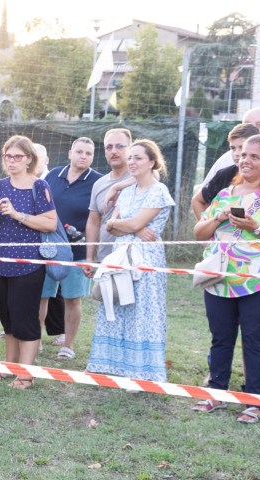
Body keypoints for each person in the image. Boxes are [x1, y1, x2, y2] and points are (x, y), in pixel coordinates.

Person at [192, 135, 260, 423]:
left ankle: (254, 402)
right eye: (243, 155)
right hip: (219, 281)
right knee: (221, 339)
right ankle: (217, 393)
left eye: (254, 156)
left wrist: (256, 227)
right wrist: (218, 218)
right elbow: (199, 233)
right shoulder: (225, 194)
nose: (245, 160)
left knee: (255, 339)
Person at [86, 140, 174, 382]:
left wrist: (130, 225)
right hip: (120, 256)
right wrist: (131, 226)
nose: (132, 162)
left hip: (145, 259)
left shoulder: (158, 191)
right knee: (115, 303)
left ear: (152, 162)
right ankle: (112, 364)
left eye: (138, 158)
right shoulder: (126, 192)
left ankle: (142, 370)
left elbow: (132, 223)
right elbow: (110, 226)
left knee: (140, 311)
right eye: (131, 157)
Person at [0, 135, 58, 389]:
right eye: (8, 156)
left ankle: (26, 375)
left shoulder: (39, 186)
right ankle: (9, 369)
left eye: (17, 156)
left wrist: (16, 214)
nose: (12, 161)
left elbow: (50, 223)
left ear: (29, 159)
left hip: (28, 265)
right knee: (8, 320)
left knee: (25, 320)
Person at [39, 137, 102, 361]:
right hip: (48, 248)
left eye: (88, 153)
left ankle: (68, 345)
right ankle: (35, 341)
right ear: (70, 153)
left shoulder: (98, 181)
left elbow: (98, 219)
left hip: (78, 251)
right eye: (79, 152)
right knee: (42, 296)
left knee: (72, 298)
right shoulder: (53, 175)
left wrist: (91, 255)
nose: (83, 156)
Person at [193, 123, 260, 218]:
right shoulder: (224, 174)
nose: (236, 153)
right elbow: (197, 201)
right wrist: (208, 231)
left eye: (241, 147)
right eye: (232, 148)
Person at [85, 128, 133, 267]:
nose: (114, 151)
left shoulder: (140, 177)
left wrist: (117, 187)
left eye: (120, 146)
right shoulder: (99, 184)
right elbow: (93, 222)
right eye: (109, 147)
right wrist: (89, 258)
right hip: (105, 258)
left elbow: (154, 174)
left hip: (133, 258)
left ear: (130, 148)